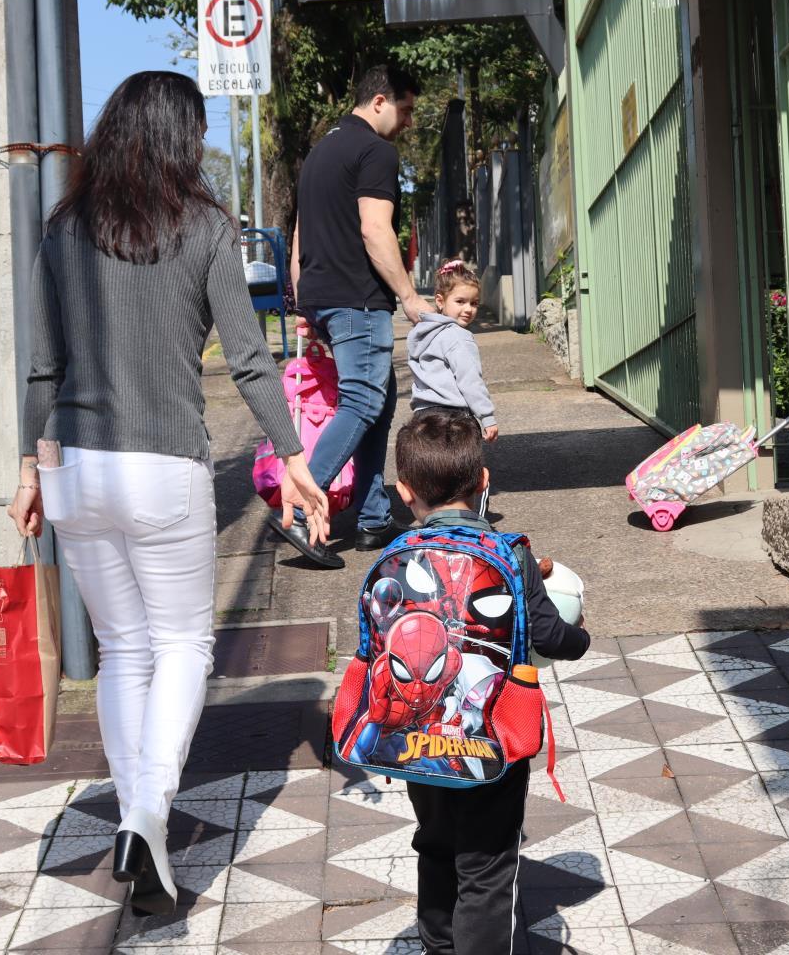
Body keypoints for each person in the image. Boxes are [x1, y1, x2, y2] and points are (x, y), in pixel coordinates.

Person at [6, 70, 328, 917]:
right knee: (183, 645)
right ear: (183, 141)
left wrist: (26, 469)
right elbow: (251, 357)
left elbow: (42, 365)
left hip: (74, 466)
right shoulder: (208, 229)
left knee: (123, 651)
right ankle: (149, 812)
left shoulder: (65, 229)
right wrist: (291, 455)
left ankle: (134, 810)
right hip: (165, 468)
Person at [390, 410, 590, 955]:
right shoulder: (510, 554)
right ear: (483, 482)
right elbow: (550, 637)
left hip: (414, 739)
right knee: (487, 868)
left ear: (406, 492)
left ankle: (438, 947)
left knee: (434, 844)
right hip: (492, 739)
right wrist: (583, 639)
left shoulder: (394, 560)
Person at [285, 64, 434, 568]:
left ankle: (372, 518)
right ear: (378, 101)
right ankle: (304, 505)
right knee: (363, 401)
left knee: (379, 402)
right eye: (406, 109)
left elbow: (300, 238)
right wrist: (410, 296)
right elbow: (376, 230)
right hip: (358, 299)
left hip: (325, 297)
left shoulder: (319, 153)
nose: (408, 121)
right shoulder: (376, 151)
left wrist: (305, 305)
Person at [408, 259, 498, 442]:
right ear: (440, 301)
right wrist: (486, 416)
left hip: (422, 418)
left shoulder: (422, 333)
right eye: (460, 301)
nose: (468, 309)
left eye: (474, 303)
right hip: (452, 419)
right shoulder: (458, 336)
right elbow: (469, 380)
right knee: (460, 468)